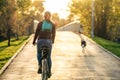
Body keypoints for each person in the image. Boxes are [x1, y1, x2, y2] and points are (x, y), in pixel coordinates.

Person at [32, 11, 56, 78]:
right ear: (50, 16)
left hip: (40, 41)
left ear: (44, 16)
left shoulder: (40, 23)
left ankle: (40, 65)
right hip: (48, 42)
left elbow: (36, 33)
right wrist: (52, 41)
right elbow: (54, 34)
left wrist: (34, 41)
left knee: (39, 53)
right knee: (48, 57)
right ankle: (49, 72)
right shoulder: (53, 24)